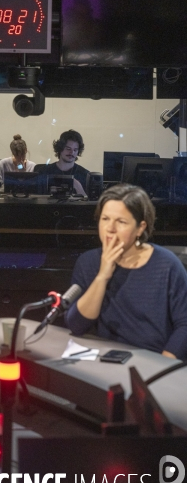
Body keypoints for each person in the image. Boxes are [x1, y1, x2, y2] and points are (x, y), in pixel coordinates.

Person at [65, 183, 187, 360]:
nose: (110, 228)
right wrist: (102, 276)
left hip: (155, 360)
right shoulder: (88, 262)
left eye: (121, 222)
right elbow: (76, 325)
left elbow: (184, 324)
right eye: (105, 219)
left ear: (140, 228)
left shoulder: (167, 264)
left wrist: (163, 364)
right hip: (108, 358)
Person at [38, 129, 89, 195]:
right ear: (60, 148)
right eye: (68, 149)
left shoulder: (85, 175)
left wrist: (78, 187)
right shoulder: (44, 172)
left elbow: (89, 203)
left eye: (75, 150)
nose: (72, 152)